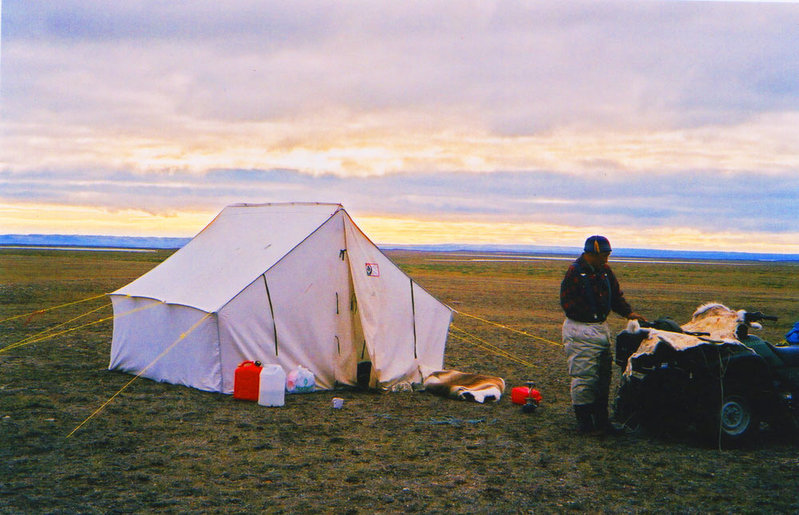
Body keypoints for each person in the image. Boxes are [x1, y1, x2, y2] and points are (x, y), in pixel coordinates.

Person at [560, 235, 646, 435]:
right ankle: (585, 423)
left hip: (600, 328)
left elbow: (616, 296)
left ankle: (601, 420)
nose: (607, 260)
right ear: (592, 253)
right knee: (584, 376)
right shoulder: (575, 272)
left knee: (603, 376)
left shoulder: (605, 272)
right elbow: (568, 304)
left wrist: (628, 313)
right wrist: (589, 315)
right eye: (604, 255)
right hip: (580, 330)